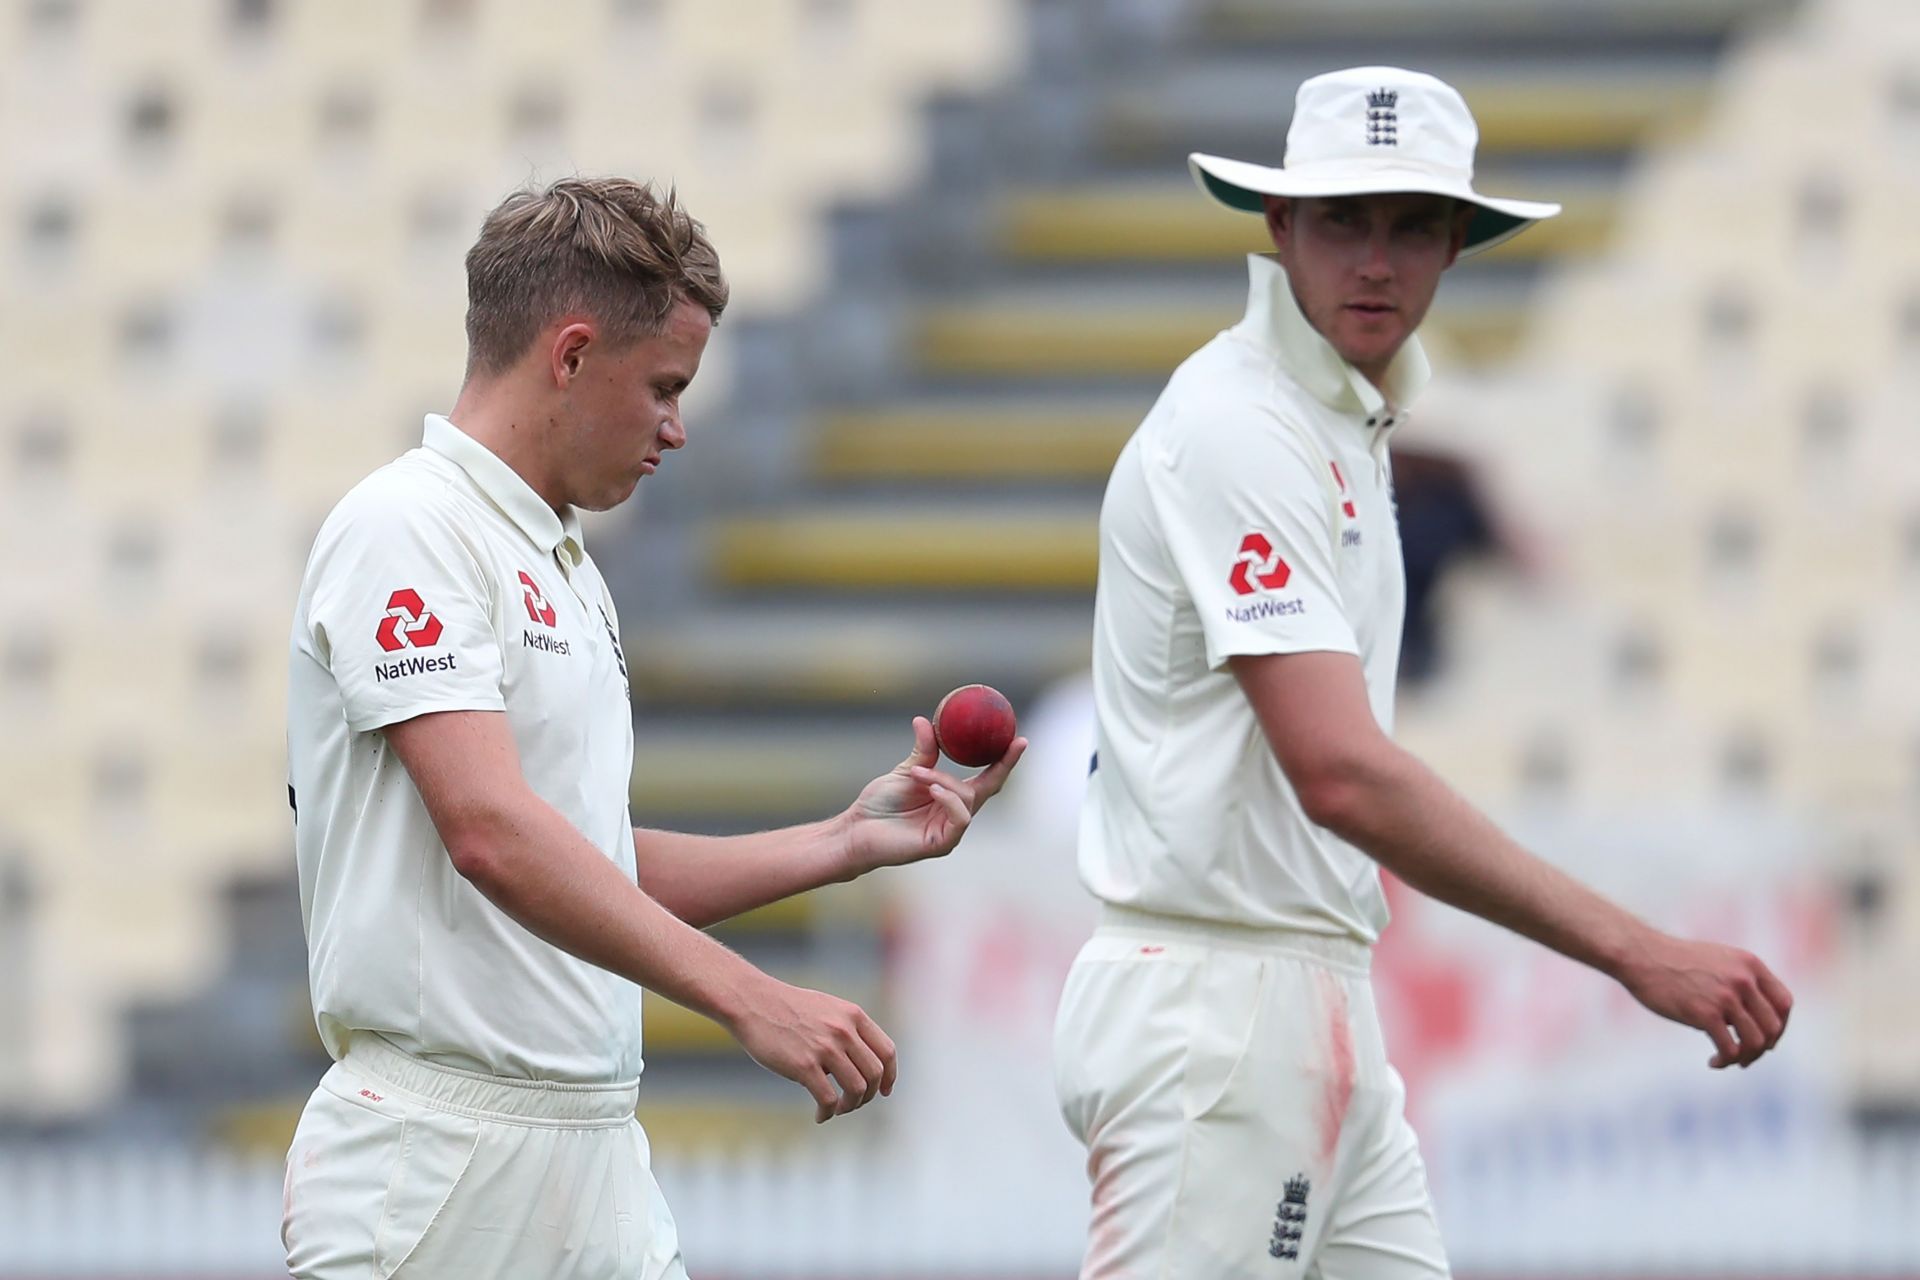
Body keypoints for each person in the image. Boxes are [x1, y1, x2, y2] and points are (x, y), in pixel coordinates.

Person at [1052, 66, 1792, 1279]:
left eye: (1410, 225)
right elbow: (1339, 772)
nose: (1377, 261)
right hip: (1215, 1009)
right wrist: (1635, 948)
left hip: (1309, 995)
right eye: (1344, 220)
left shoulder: (1342, 423)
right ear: (1281, 227)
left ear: (1458, 243)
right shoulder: (1244, 425)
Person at [281, 177, 1025, 1280]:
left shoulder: (565, 563)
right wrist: (750, 995)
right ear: (572, 354)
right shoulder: (409, 526)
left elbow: (587, 862)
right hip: (434, 1161)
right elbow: (489, 833)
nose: (677, 426)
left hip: (592, 1149)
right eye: (665, 386)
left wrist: (842, 840)